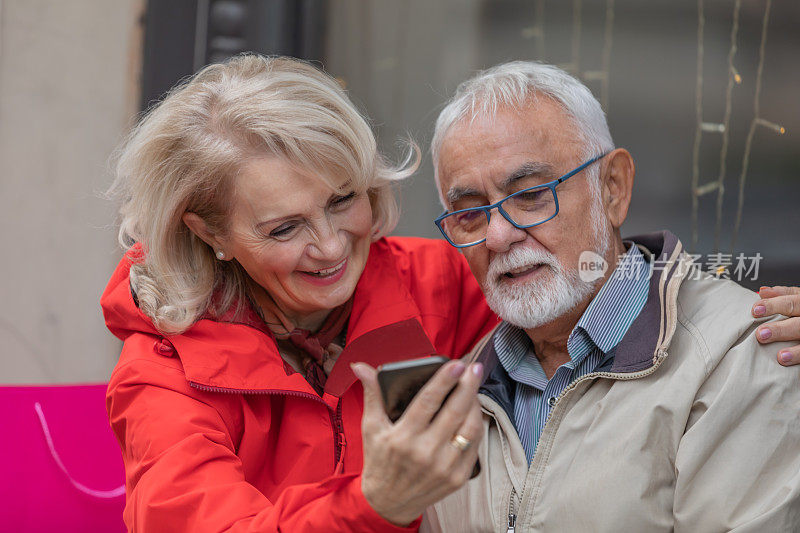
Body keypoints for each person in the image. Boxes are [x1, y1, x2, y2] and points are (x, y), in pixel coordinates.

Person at [102, 55, 496, 531]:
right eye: (285, 228)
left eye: (342, 200)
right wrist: (376, 504)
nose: (331, 247)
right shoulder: (163, 372)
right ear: (211, 234)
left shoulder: (441, 281)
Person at [419, 61, 800, 531]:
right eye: (470, 214)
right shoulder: (457, 392)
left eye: (532, 195)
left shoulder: (736, 352)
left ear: (613, 188)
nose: (498, 235)